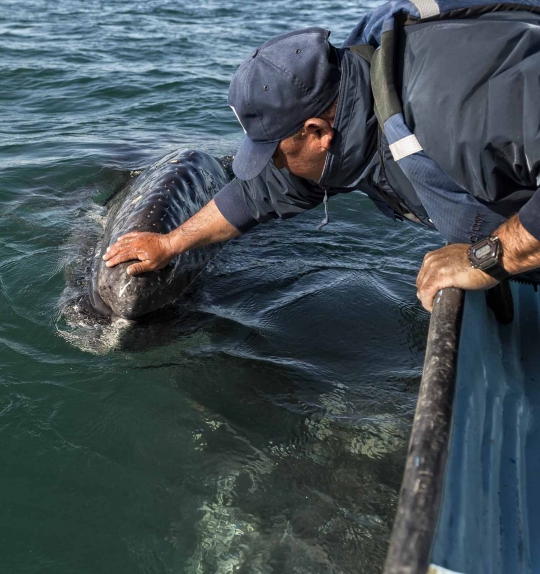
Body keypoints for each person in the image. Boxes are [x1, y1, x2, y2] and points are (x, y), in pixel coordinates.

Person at [103, 0, 540, 312]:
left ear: (317, 132)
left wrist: (489, 256)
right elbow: (262, 195)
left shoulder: (454, 108)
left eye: (276, 155)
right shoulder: (357, 98)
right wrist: (170, 243)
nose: (276, 169)